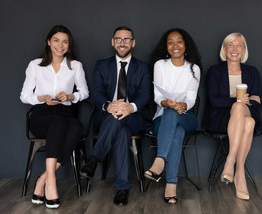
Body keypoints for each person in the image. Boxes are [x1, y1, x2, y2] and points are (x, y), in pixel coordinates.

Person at [80, 26, 151, 206]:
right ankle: (122, 189)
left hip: (133, 117)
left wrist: (130, 107)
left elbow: (144, 95)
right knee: (121, 132)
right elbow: (96, 93)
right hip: (107, 116)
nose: (122, 43)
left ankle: (94, 159)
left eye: (127, 39)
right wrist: (109, 105)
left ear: (133, 43)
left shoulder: (143, 67)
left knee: (119, 119)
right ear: (112, 42)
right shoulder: (101, 65)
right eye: (118, 39)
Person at [20, 25, 89, 209]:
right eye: (56, 40)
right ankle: (51, 183)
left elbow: (84, 92)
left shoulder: (75, 66)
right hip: (41, 115)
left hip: (65, 112)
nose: (61, 45)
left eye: (65, 41)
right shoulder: (35, 65)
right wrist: (40, 98)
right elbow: (24, 96)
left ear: (69, 45)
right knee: (59, 123)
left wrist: (70, 96)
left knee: (77, 127)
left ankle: (43, 179)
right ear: (49, 42)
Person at [144, 28, 201, 204]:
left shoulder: (194, 68)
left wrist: (184, 105)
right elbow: (157, 96)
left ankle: (160, 160)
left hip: (186, 116)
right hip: (162, 118)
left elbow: (191, 99)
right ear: (166, 46)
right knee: (176, 130)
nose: (175, 45)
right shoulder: (160, 65)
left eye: (179, 41)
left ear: (186, 45)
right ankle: (171, 184)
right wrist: (166, 102)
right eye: (170, 42)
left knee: (176, 118)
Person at [203, 32, 262, 201]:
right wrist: (239, 100)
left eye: (239, 45)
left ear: (244, 50)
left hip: (247, 111)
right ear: (224, 49)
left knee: (241, 109)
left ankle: (230, 161)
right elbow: (213, 100)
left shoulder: (252, 71)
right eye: (230, 45)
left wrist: (248, 101)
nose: (234, 49)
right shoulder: (215, 71)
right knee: (248, 122)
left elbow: (257, 101)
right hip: (221, 119)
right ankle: (240, 173)